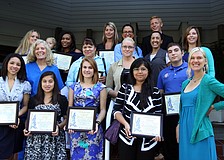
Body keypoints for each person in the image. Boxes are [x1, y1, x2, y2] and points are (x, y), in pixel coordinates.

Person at [177, 47, 224, 160]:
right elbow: (182, 108)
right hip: (184, 129)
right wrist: (178, 125)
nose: (195, 60)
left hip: (200, 130)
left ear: (205, 61)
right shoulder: (185, 83)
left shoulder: (208, 81)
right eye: (192, 58)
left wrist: (214, 106)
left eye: (199, 58)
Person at [113, 58, 162, 160]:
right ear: (132, 71)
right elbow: (116, 110)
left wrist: (158, 132)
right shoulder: (125, 88)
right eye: (136, 69)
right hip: (127, 136)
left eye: (143, 69)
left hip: (148, 140)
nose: (140, 72)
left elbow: (158, 113)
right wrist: (126, 124)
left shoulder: (155, 91)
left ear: (148, 71)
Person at [68, 57, 107, 160]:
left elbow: (103, 110)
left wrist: (97, 123)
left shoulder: (101, 88)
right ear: (81, 69)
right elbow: (70, 107)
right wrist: (70, 123)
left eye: (90, 67)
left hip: (93, 127)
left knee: (93, 155)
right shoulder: (73, 87)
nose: (87, 70)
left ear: (94, 70)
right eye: (84, 67)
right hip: (76, 128)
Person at [24, 71, 68, 159]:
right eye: (44, 81)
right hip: (35, 140)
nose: (47, 84)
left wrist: (58, 127)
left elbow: (67, 118)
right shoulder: (33, 100)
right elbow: (28, 119)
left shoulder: (61, 99)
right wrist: (26, 129)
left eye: (50, 81)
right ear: (40, 83)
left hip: (55, 139)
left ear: (55, 83)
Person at [157, 43, 188, 160]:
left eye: (176, 50)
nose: (173, 53)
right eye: (170, 51)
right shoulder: (163, 73)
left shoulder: (190, 70)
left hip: (186, 109)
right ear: (168, 55)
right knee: (170, 140)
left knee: (184, 138)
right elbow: (160, 91)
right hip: (169, 111)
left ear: (182, 53)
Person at [0, 53, 31, 160]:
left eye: (18, 64)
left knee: (11, 155)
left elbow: (25, 106)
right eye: (12, 63)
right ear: (6, 64)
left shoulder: (25, 84)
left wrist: (15, 117)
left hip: (15, 124)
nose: (14, 66)